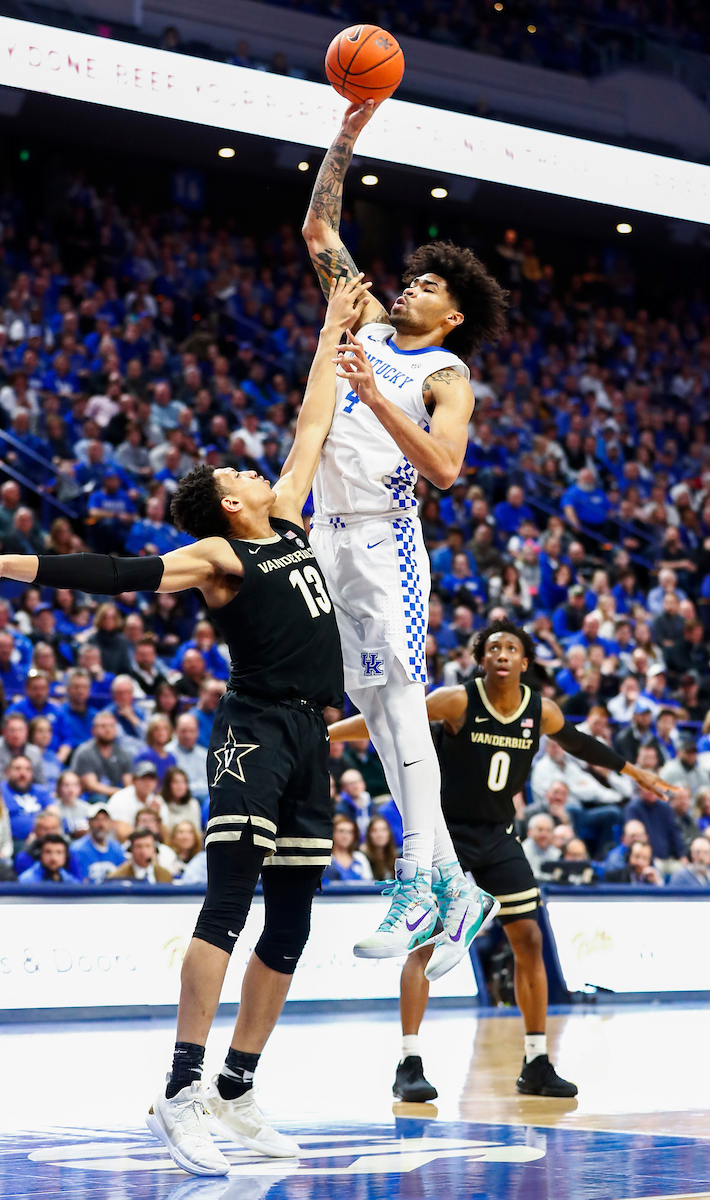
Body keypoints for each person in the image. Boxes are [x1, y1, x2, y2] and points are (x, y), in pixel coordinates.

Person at [0, 275, 368, 1176]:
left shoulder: (283, 514)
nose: (256, 469)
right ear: (228, 504)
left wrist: (331, 323)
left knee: (291, 927)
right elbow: (117, 574)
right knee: (228, 906)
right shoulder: (215, 552)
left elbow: (314, 421)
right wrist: (2, 564)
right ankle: (181, 1090)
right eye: (240, 474)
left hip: (311, 738)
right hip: (253, 728)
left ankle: (239, 1090)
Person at [304, 98, 508, 961]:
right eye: (412, 277)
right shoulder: (368, 322)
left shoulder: (445, 372)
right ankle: (459, 892)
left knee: (398, 711)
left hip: (387, 539)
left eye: (427, 284)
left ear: (453, 313)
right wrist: (350, 130)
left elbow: (446, 469)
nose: (408, 284)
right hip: (328, 531)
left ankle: (421, 884)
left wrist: (380, 397)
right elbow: (319, 231)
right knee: (379, 718)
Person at [330, 617, 673, 1100]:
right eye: (493, 647)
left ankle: (536, 1062)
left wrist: (637, 773)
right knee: (423, 939)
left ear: (526, 661)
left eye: (512, 647)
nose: (503, 653)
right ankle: (409, 1062)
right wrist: (323, 738)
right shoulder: (458, 700)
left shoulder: (542, 711)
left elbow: (581, 744)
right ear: (482, 658)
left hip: (497, 836)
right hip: (444, 834)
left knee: (529, 938)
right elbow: (389, 724)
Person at [71, 711, 134, 802]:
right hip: (89, 797)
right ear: (93, 730)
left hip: (115, 796)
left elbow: (128, 783)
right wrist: (119, 793)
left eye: (111, 726)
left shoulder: (123, 753)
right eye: (103, 726)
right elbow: (91, 785)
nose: (108, 730)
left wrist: (125, 795)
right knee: (99, 798)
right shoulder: (85, 752)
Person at [69, 803, 127, 883]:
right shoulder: (77, 850)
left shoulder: (118, 849)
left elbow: (123, 880)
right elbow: (80, 882)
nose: (101, 824)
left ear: (110, 823)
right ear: (89, 822)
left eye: (105, 819)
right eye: (97, 820)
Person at [107, 760, 160, 842]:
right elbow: (122, 835)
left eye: (151, 779)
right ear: (134, 781)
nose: (147, 783)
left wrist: (157, 817)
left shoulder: (157, 801)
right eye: (143, 779)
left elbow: (166, 836)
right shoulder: (120, 798)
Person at [106, 827, 174, 884]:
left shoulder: (165, 875)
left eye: (148, 846)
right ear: (131, 850)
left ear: (154, 849)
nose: (143, 851)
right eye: (139, 846)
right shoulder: (117, 877)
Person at [159, 765, 203, 833]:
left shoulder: (193, 804)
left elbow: (197, 832)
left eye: (183, 782)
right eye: (176, 782)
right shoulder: (159, 802)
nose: (180, 786)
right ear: (167, 785)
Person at [362, 815, 397, 881]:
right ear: (369, 834)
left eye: (383, 830)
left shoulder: (395, 857)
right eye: (375, 831)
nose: (380, 835)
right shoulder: (363, 857)